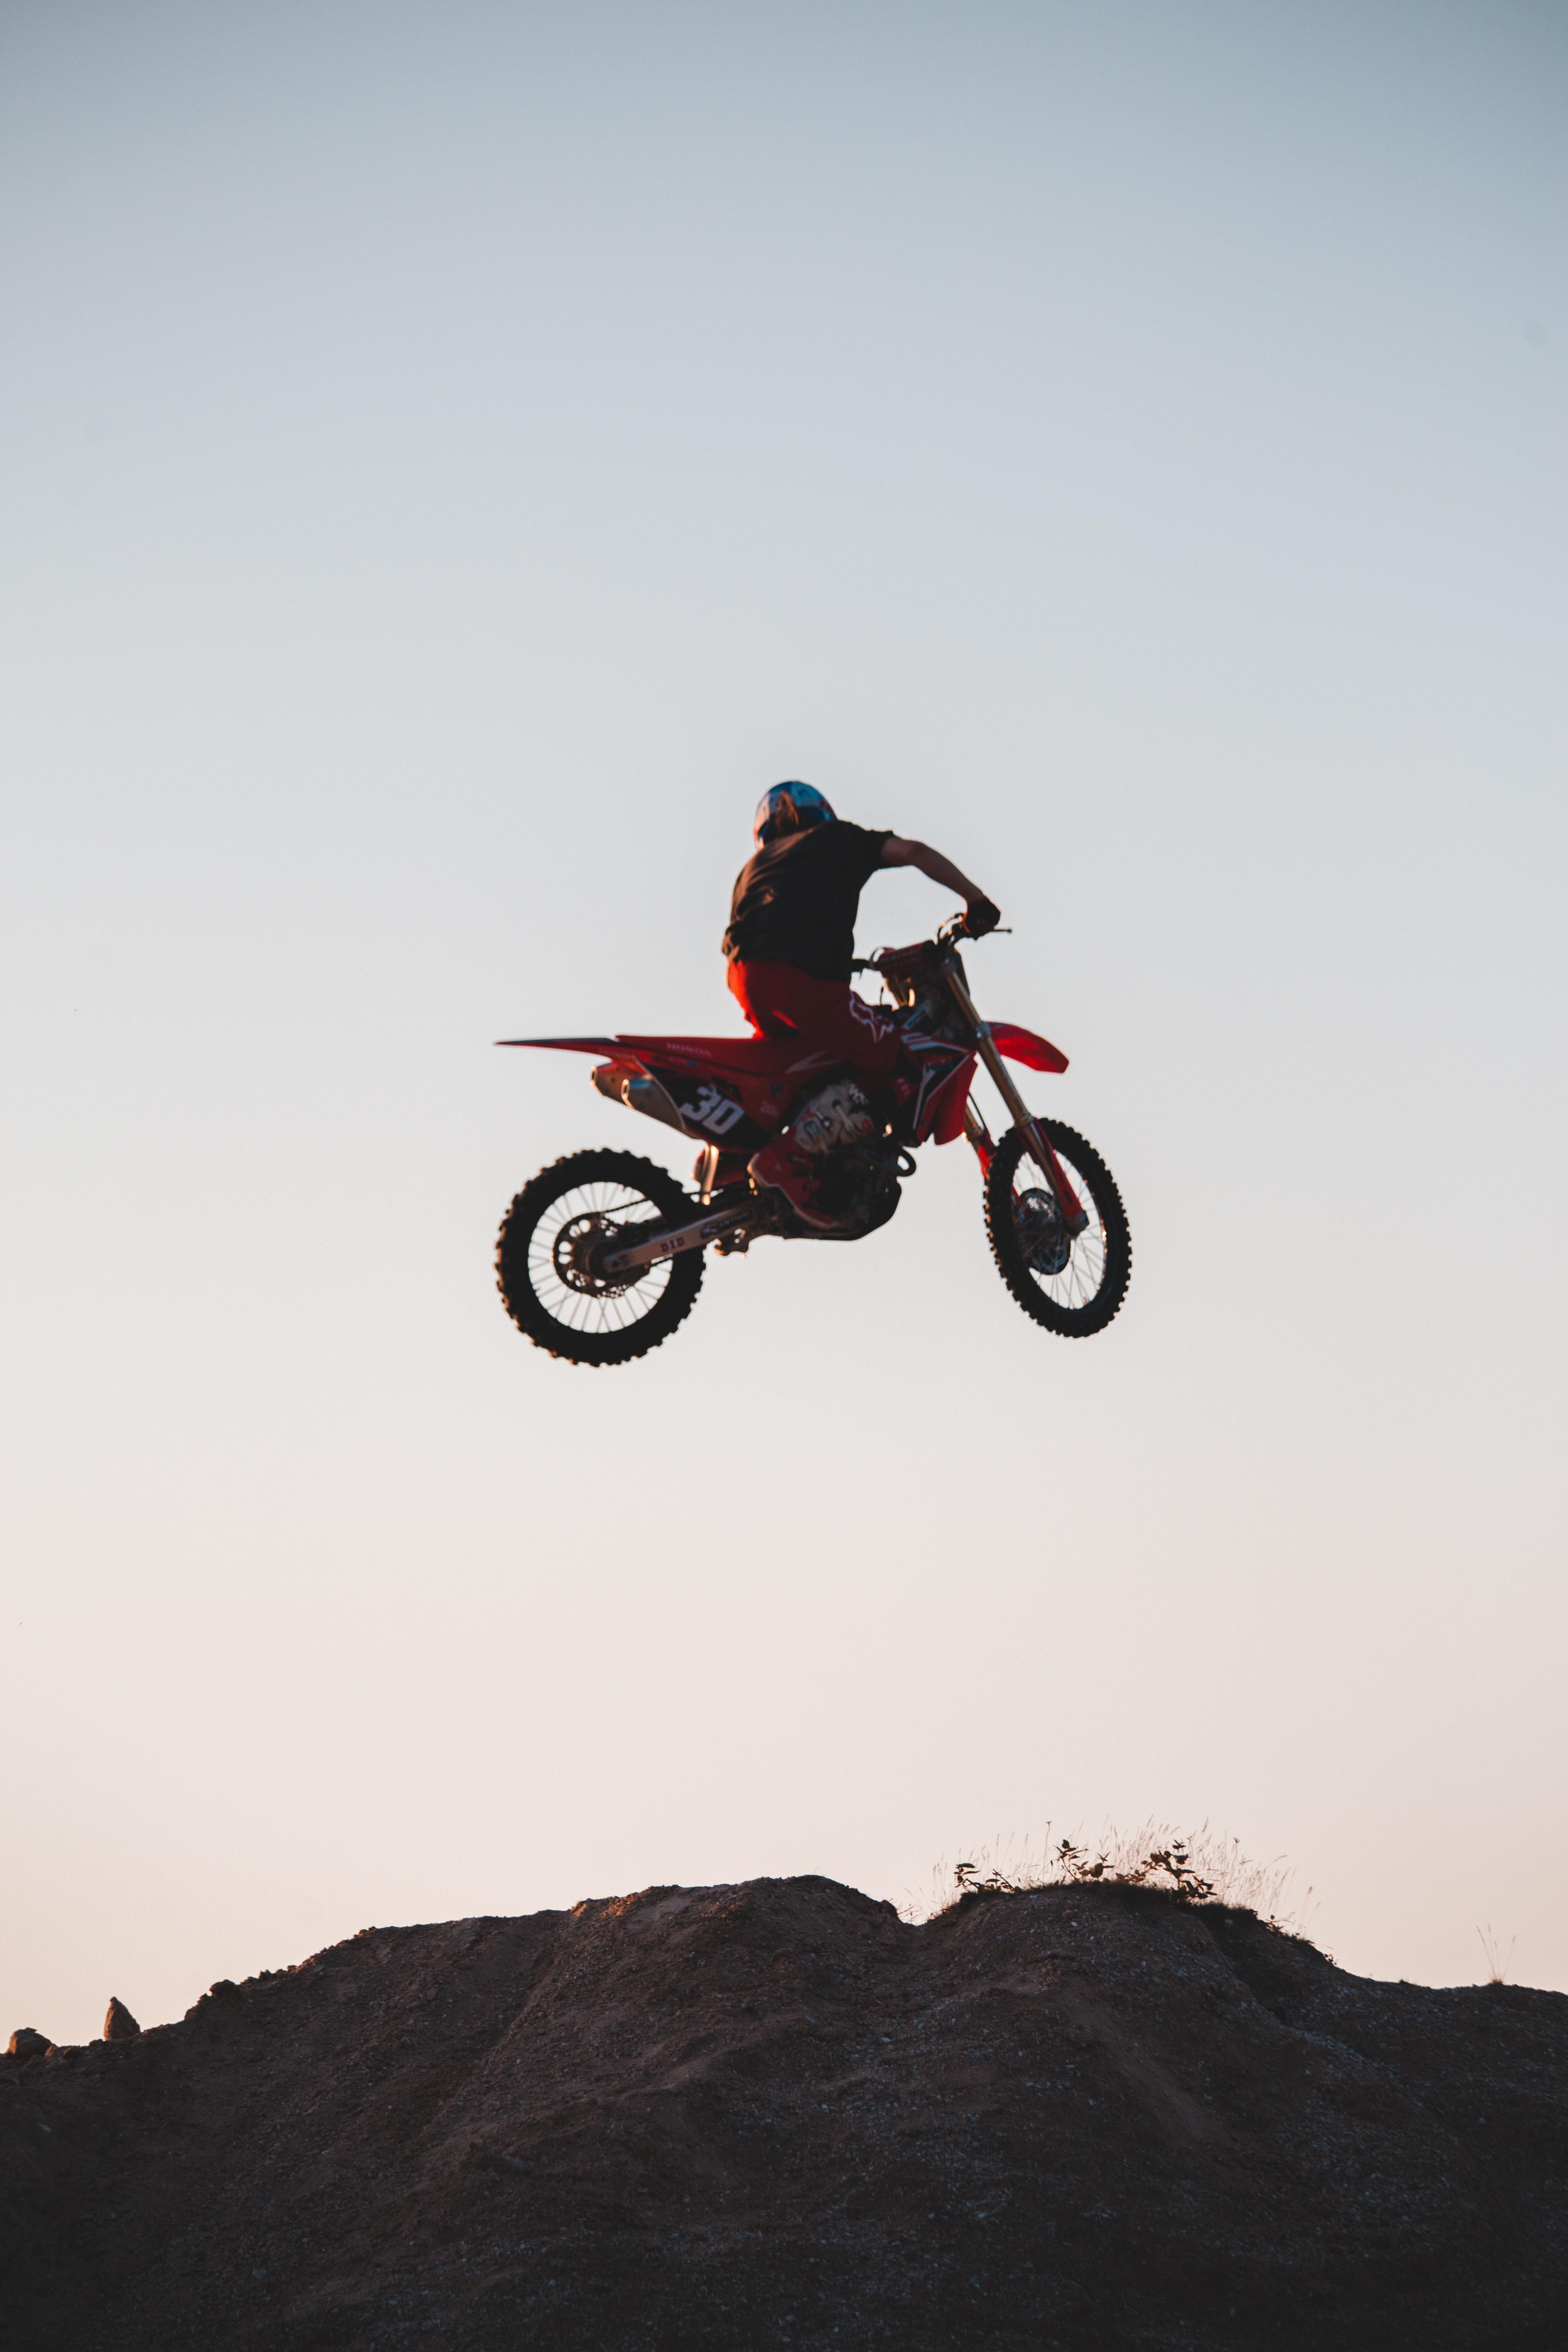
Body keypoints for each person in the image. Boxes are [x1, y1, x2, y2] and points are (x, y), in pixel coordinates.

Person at [723, 781, 1000, 1227]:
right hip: (802, 981)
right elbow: (915, 852)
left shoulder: (753, 867)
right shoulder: (838, 839)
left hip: (747, 981)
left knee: (807, 1065)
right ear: (823, 812)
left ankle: (732, 1161)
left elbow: (768, 927)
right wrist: (976, 901)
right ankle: (789, 1159)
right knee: (906, 1061)